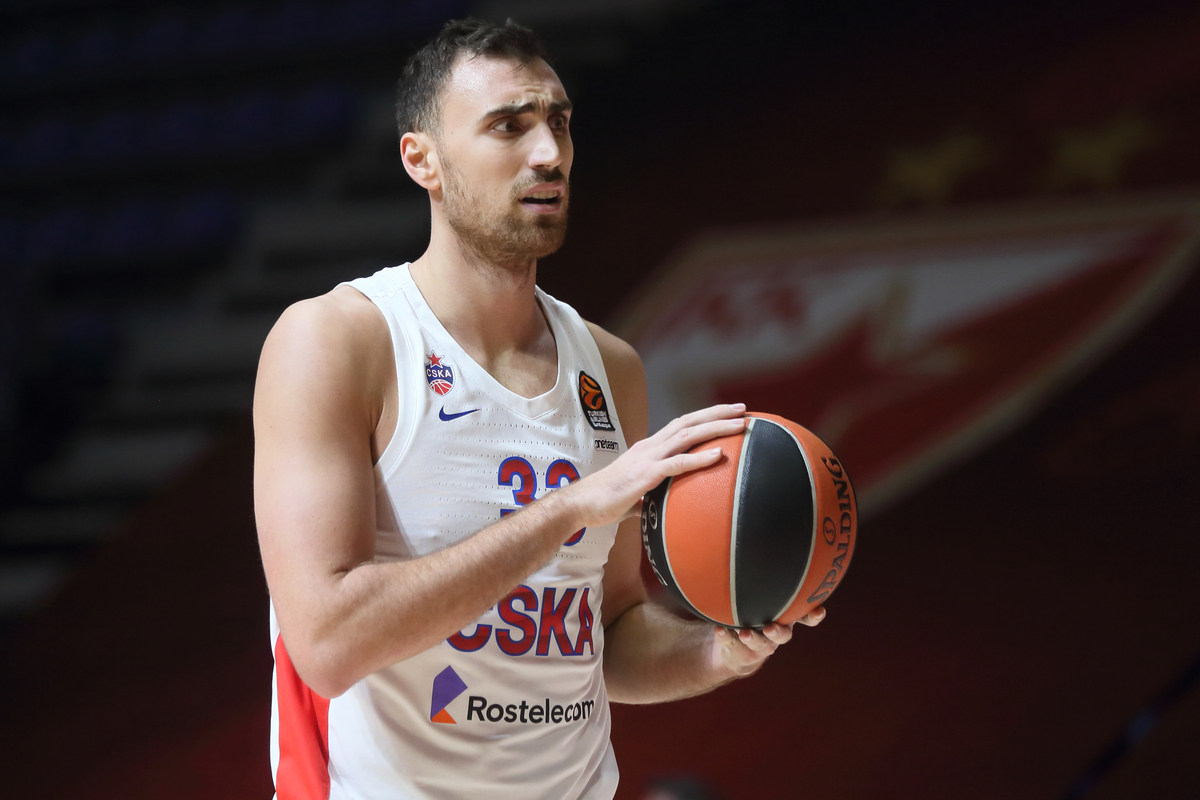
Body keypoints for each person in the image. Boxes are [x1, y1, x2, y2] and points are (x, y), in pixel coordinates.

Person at [253, 17, 824, 800]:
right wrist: (571, 509)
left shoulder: (609, 367)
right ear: (422, 160)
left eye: (559, 121)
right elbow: (329, 642)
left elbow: (608, 632)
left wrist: (720, 651)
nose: (549, 152)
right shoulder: (338, 339)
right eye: (508, 126)